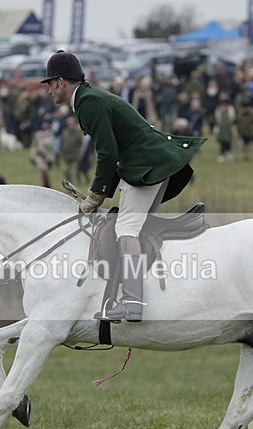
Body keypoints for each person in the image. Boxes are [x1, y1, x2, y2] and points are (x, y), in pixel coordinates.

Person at [41, 50, 205, 322]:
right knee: (133, 228)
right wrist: (103, 193)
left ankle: (132, 302)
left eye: (48, 84)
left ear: (60, 82)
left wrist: (94, 197)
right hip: (149, 163)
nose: (47, 91)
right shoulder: (89, 98)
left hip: (145, 166)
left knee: (126, 229)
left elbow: (107, 153)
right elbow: (113, 153)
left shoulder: (88, 102)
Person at [58, 115, 84, 184]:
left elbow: (82, 144)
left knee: (73, 173)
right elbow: (62, 143)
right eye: (69, 124)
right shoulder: (65, 132)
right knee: (65, 171)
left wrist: (80, 154)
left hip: (74, 157)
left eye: (72, 124)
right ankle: (69, 186)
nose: (70, 125)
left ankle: (74, 190)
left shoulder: (78, 132)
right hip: (65, 156)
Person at [30, 120, 55, 187]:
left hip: (47, 157)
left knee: (45, 171)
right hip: (40, 156)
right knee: (43, 170)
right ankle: (45, 184)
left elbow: (50, 145)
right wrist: (32, 156)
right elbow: (34, 145)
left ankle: (47, 184)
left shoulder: (50, 136)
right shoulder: (38, 135)